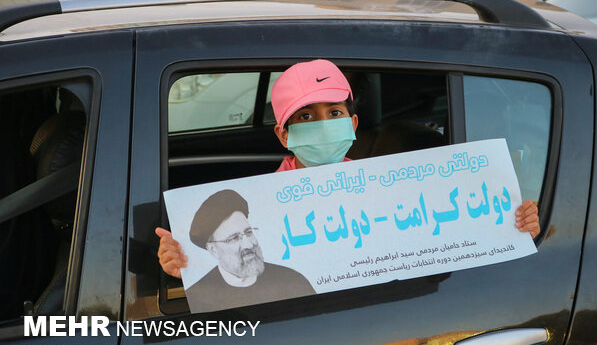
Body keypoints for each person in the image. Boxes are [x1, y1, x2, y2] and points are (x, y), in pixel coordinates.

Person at [157, 59, 540, 279]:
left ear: (352, 126)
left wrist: (514, 223)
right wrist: (183, 267)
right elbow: (232, 278)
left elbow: (442, 246)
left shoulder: (389, 192)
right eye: (305, 116)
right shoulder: (253, 210)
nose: (322, 123)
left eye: (334, 112)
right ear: (283, 134)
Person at [182, 189, 315, 312]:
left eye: (249, 232)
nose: (248, 244)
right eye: (234, 238)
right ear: (213, 250)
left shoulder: (292, 280)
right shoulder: (196, 298)